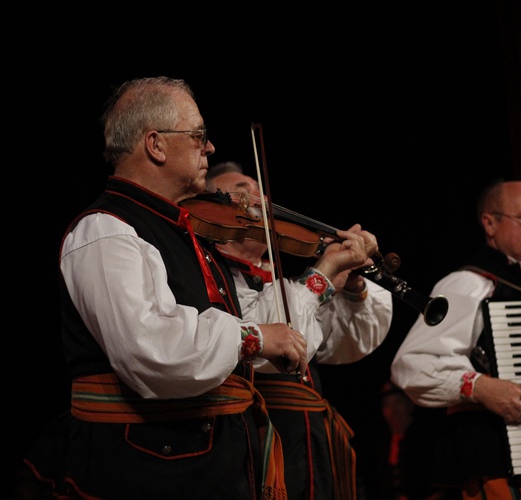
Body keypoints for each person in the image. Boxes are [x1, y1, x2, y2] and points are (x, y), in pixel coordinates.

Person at [23, 76, 370, 500]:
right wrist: (257, 336)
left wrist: (320, 281)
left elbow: (262, 342)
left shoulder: (190, 236)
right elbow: (152, 347)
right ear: (156, 144)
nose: (209, 148)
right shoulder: (106, 230)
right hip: (148, 471)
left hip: (204, 465)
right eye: (199, 136)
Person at [390, 179, 521, 499]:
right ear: (490, 223)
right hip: (502, 469)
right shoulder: (468, 284)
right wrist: (478, 386)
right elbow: (412, 364)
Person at [204, 161, 393, 500]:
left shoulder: (285, 285)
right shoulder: (213, 278)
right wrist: (323, 274)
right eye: (241, 193)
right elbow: (266, 335)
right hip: (257, 436)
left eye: (258, 190)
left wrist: (352, 285)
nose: (258, 200)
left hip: (312, 440)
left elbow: (341, 345)